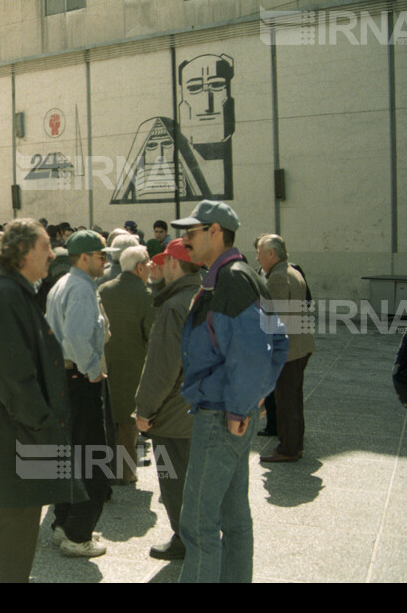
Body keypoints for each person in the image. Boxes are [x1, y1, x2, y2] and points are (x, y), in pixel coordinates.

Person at [0, 218, 86, 583]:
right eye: (45, 247)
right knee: (16, 523)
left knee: (16, 524)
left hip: (13, 432)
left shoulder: (5, 290)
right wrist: (45, 424)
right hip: (17, 435)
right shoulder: (4, 295)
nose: (53, 253)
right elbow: (12, 378)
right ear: (23, 253)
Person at [171, 200, 287, 583]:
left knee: (198, 523)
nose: (184, 240)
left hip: (222, 415)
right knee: (234, 517)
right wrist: (253, 399)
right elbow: (279, 343)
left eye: (191, 232)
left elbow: (256, 352)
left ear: (216, 231)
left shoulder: (233, 279)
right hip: (230, 411)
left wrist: (241, 407)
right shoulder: (236, 276)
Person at [134, 238, 203, 561]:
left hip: (174, 413)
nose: (160, 268)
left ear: (175, 264)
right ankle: (197, 534)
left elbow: (161, 368)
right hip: (199, 405)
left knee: (174, 480)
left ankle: (185, 538)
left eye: (165, 262)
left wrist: (144, 409)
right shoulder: (203, 296)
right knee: (193, 477)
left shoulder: (174, 306)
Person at [44, 230, 112, 558]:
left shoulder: (61, 284)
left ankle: (62, 524)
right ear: (83, 258)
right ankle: (77, 533)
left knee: (68, 458)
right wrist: (91, 368)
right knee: (92, 461)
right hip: (79, 381)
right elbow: (74, 336)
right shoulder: (82, 288)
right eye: (101, 256)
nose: (106, 260)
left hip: (63, 380)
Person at [256, 234, 316, 464]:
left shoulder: (278, 277)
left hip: (289, 349)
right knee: (293, 397)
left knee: (286, 401)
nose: (258, 258)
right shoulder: (292, 270)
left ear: (272, 254)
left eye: (260, 253)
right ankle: (294, 443)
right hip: (300, 344)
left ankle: (289, 448)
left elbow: (273, 317)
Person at [98, 244, 155, 485]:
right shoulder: (146, 295)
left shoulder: (103, 289)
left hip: (104, 365)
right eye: (148, 264)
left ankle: (106, 470)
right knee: (127, 424)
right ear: (140, 267)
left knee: (107, 422)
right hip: (134, 368)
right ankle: (125, 472)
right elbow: (152, 336)